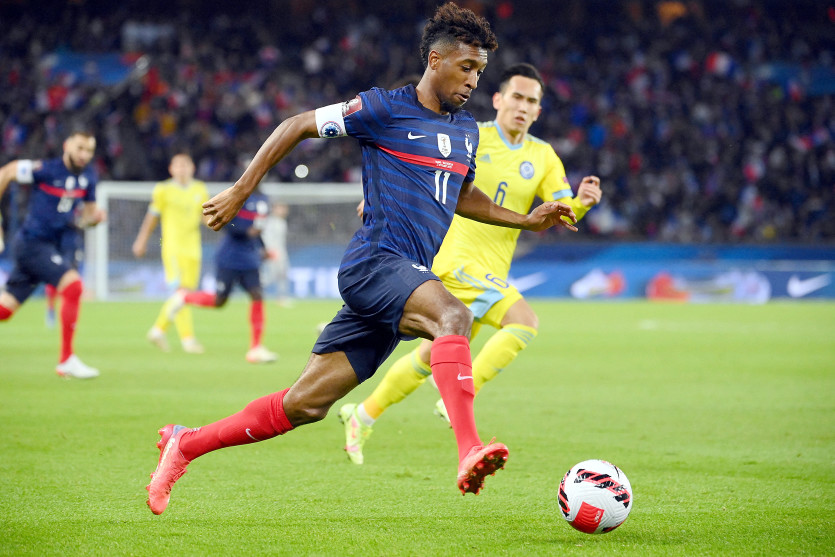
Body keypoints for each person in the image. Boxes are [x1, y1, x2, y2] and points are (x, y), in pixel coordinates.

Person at [146, 2, 578, 515]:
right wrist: (241, 191)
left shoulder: (465, 131)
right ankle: (469, 449)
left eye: (479, 72)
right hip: (376, 263)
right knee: (454, 317)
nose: (472, 81)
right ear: (435, 60)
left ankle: (185, 444)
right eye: (466, 67)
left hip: (405, 278)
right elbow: (296, 125)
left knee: (304, 404)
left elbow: (463, 195)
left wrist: (526, 220)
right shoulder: (382, 109)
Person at [338, 63, 603, 464]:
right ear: (498, 99)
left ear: (538, 111)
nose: (522, 106)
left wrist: (581, 202)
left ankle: (361, 415)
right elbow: (419, 166)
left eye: (531, 101)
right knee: (524, 321)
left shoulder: (544, 156)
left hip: (492, 270)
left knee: (429, 359)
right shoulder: (469, 135)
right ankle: (460, 399)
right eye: (516, 97)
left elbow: (560, 213)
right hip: (454, 259)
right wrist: (383, 196)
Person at [0, 130, 106, 378]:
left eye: (89, 150)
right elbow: (6, 172)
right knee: (73, 287)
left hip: (50, 248)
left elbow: (87, 217)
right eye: (80, 148)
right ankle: (66, 359)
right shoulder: (46, 169)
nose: (84, 155)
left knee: (5, 311)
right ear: (67, 145)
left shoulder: (88, 177)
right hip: (33, 244)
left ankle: (67, 360)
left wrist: (94, 220)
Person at [165, 189, 278, 364]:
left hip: (250, 259)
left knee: (257, 295)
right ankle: (184, 297)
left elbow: (258, 229)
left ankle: (255, 348)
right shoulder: (236, 196)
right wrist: (247, 231)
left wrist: (263, 248)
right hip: (229, 258)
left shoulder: (263, 199)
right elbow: (227, 225)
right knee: (220, 301)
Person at [132, 153, 209, 354]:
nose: (182, 169)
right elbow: (152, 217)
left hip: (194, 249)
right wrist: (141, 240)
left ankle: (158, 330)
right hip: (173, 248)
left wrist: (223, 221)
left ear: (192, 168)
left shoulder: (200, 189)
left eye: (185, 165)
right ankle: (188, 340)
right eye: (178, 166)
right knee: (180, 293)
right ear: (171, 169)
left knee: (186, 295)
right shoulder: (163, 190)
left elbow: (205, 218)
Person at [260, 201, 291, 306]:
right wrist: (270, 251)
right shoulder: (270, 222)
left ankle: (282, 297)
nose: (284, 210)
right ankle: (257, 292)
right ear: (274, 209)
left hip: (281, 252)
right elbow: (267, 238)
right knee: (271, 276)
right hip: (273, 252)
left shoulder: (282, 222)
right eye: (281, 208)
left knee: (283, 275)